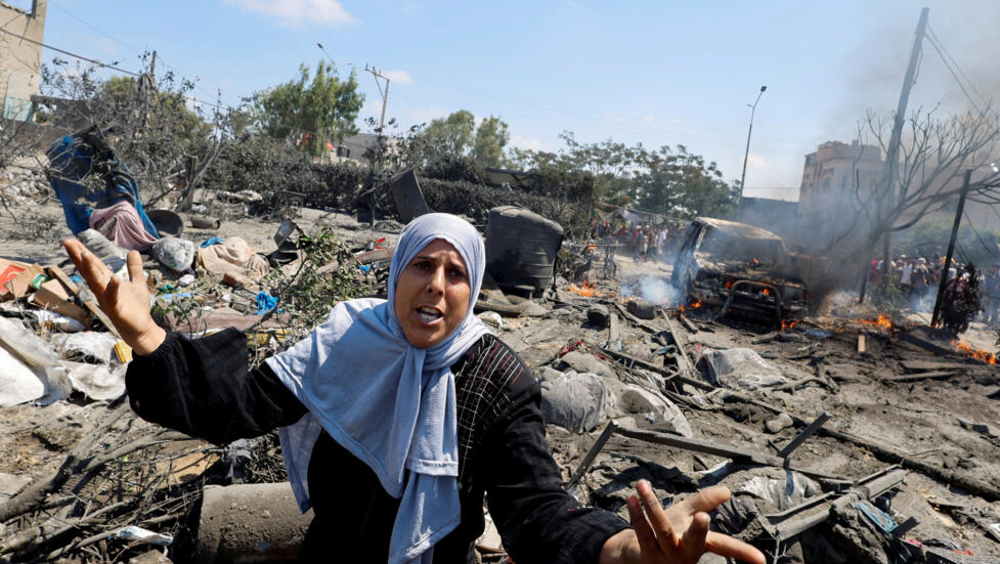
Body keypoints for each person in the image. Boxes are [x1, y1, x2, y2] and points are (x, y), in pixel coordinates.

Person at [63, 214, 764, 564]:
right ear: (396, 272)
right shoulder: (346, 340)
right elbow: (238, 409)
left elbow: (535, 510)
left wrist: (621, 550)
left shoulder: (495, 376)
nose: (436, 285)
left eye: (456, 273)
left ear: (474, 288)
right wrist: (151, 336)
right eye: (422, 265)